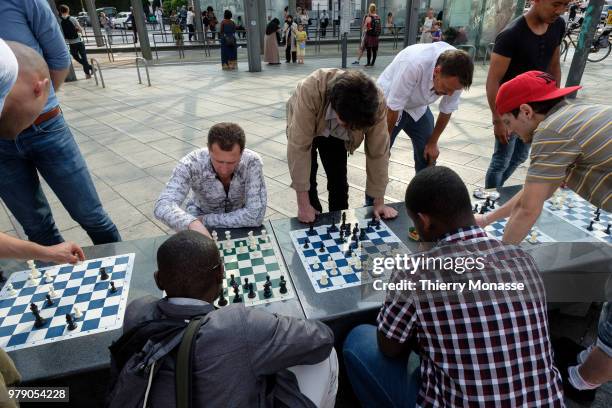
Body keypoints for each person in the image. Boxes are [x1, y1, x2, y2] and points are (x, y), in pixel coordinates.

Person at [344, 166, 564, 407]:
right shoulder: (522, 259)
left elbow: (389, 348)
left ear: (425, 220)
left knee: (357, 340)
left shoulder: (416, 272)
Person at [475, 71, 611, 403]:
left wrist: (497, 263)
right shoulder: (572, 116)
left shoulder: (551, 131)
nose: (508, 132)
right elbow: (534, 192)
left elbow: (529, 210)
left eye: (508, 122)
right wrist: (488, 218)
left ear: (526, 111)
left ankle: (580, 382)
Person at [111, 230, 338, 407]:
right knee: (327, 359)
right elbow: (322, 338)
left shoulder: (136, 312)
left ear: (158, 280)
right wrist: (275, 322)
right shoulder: (237, 324)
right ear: (221, 274)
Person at [0, 2, 121, 246]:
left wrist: (36, 106)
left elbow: (58, 59)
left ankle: (122, 274)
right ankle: (57, 280)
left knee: (91, 215)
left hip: (46, 126)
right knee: (36, 227)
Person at [286, 69, 398, 223]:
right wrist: (303, 205)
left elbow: (379, 152)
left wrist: (379, 202)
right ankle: (312, 213)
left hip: (336, 136)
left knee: (339, 182)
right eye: (347, 124)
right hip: (307, 121)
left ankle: (338, 222)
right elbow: (299, 148)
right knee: (308, 179)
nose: (351, 129)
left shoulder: (375, 104)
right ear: (335, 107)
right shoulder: (310, 90)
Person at [483, 0, 566, 189]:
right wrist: (498, 119)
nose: (560, 11)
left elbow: (554, 66)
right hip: (512, 111)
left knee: (520, 156)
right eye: (556, 4)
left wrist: (553, 104)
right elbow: (493, 80)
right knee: (501, 160)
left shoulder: (558, 25)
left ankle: (498, 191)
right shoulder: (511, 35)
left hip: (538, 110)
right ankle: (490, 199)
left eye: (566, 5)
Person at [154, 123, 266, 236]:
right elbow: (163, 206)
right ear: (208, 149)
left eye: (231, 162)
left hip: (238, 222)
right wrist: (192, 223)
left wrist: (205, 220)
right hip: (201, 220)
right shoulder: (190, 164)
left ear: (242, 152)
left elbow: (255, 215)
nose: (224, 170)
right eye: (218, 161)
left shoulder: (252, 162)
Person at [376, 44, 473, 172]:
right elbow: (393, 107)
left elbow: (447, 110)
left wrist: (433, 143)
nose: (450, 94)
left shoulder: (458, 76)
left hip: (417, 106)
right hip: (389, 102)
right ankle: (375, 188)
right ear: (437, 71)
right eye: (447, 88)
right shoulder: (414, 63)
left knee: (428, 153)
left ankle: (424, 188)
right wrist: (385, 144)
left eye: (454, 90)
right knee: (380, 153)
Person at [58, 4, 93, 79]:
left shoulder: (59, 21)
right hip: (79, 41)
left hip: (71, 43)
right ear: (68, 10)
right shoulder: (72, 19)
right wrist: (76, 30)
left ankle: (89, 72)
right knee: (84, 58)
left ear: (60, 11)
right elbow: (81, 30)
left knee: (75, 57)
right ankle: (89, 71)